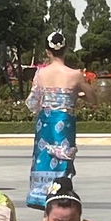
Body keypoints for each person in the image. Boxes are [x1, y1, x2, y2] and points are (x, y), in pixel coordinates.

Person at [25, 34, 83, 208]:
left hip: (45, 121)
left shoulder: (41, 73)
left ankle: (42, 202)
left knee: (43, 158)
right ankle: (60, 197)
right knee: (63, 158)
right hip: (64, 121)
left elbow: (33, 102)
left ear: (47, 52)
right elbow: (92, 97)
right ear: (66, 49)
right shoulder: (75, 74)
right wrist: (73, 95)